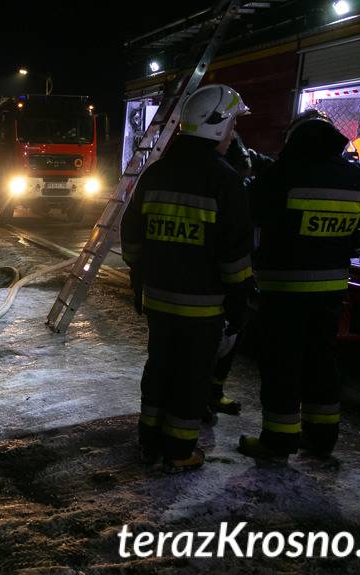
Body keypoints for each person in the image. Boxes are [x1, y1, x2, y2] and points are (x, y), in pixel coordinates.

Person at [239, 110, 360, 461]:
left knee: (282, 365)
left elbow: (248, 216)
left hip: (283, 291)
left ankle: (277, 442)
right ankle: (322, 437)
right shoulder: (359, 179)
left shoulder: (280, 175)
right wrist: (351, 243)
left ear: (295, 138)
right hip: (330, 292)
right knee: (321, 362)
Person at [121, 84, 255, 472]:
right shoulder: (224, 180)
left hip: (159, 300)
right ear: (216, 127)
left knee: (159, 368)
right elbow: (235, 253)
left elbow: (131, 238)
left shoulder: (156, 173)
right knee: (192, 376)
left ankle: (149, 440)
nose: (233, 133)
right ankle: (179, 452)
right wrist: (239, 300)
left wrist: (139, 280)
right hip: (204, 305)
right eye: (231, 124)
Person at [209, 133, 275, 417]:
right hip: (219, 277)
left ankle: (213, 393)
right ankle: (199, 397)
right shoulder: (223, 183)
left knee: (233, 337)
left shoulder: (243, 181)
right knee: (212, 340)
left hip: (242, 270)